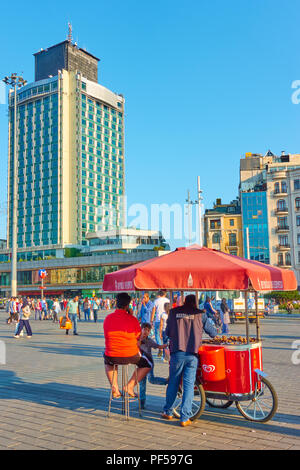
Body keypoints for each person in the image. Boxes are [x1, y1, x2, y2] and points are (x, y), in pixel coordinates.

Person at [162, 294, 217, 427]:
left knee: (174, 383)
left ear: (185, 301)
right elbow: (213, 332)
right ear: (195, 303)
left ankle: (168, 412)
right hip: (192, 354)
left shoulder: (174, 312)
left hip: (177, 353)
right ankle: (184, 418)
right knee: (188, 385)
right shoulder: (201, 314)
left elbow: (167, 332)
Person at [103, 292, 151, 398]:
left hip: (112, 355)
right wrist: (131, 316)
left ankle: (115, 388)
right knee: (148, 364)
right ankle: (129, 386)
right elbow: (139, 336)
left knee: (107, 360)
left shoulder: (108, 318)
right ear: (128, 305)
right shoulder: (133, 320)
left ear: (116, 303)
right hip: (131, 355)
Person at [139, 322, 168, 408]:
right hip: (140, 365)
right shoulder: (137, 339)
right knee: (142, 384)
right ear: (141, 329)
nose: (146, 332)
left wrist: (166, 345)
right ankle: (142, 403)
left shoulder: (149, 341)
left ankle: (166, 381)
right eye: (144, 329)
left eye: (148, 330)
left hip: (149, 364)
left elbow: (158, 346)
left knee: (151, 379)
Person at [151, 291, 170, 356]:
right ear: (164, 294)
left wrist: (151, 320)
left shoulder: (156, 301)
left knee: (157, 335)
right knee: (166, 335)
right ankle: (164, 350)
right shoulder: (168, 300)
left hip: (158, 319)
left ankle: (160, 348)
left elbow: (153, 311)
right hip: (167, 319)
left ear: (159, 294)